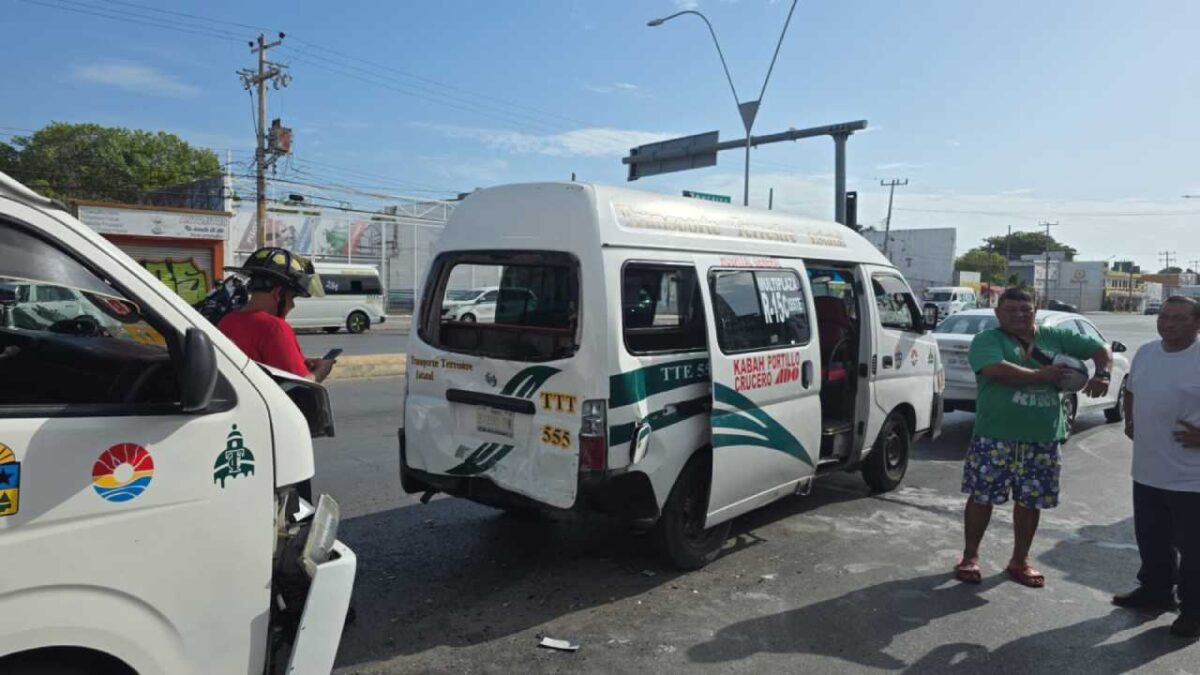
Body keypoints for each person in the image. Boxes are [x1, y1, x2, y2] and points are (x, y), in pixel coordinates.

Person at [954, 288, 1112, 588]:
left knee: (1030, 502)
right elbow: (995, 370)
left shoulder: (1056, 336)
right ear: (998, 313)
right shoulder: (988, 340)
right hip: (995, 435)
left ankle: (1019, 561)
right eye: (1011, 309)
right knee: (982, 497)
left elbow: (1100, 348)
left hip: (1042, 437)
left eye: (1025, 309)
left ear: (1035, 310)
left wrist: (1102, 372)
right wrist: (1040, 377)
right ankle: (970, 556)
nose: (1018, 315)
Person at [1112, 296, 1200, 638]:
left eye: (1178, 318)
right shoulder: (1147, 351)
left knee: (1194, 550)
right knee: (1152, 538)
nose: (1168, 323)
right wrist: (1130, 419)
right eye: (1164, 316)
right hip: (1147, 470)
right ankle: (1155, 591)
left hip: (1191, 477)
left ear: (1196, 323)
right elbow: (1132, 387)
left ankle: (1194, 610)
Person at [218, 247, 335, 382]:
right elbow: (301, 385)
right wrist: (322, 371)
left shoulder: (226, 321)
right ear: (278, 294)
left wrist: (300, 361)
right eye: (292, 297)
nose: (292, 305)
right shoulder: (275, 328)